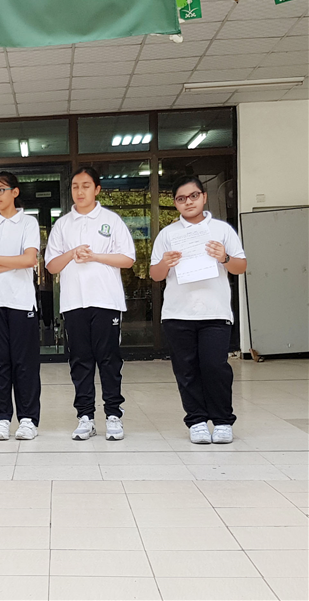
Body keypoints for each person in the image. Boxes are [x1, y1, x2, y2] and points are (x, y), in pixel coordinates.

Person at [150, 175, 247, 444]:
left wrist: (224, 257)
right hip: (178, 313)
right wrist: (166, 263)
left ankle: (223, 420)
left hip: (215, 312)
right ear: (175, 203)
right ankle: (196, 421)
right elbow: (155, 275)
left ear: (203, 197)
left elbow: (240, 267)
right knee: (186, 370)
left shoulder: (221, 230)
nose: (188, 202)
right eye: (181, 198)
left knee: (215, 367)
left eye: (193, 196)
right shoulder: (168, 234)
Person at [45, 167, 136, 442]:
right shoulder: (63, 224)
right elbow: (51, 265)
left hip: (106, 300)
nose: (80, 191)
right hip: (74, 302)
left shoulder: (111, 220)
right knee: (80, 360)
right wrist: (72, 253)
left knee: (109, 359)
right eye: (75, 186)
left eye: (85, 185)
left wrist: (95, 256)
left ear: (97, 189)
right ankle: (85, 417)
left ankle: (113, 415)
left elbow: (128, 259)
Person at [0, 172, 42, 442]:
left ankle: (28, 419)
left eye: (1, 190)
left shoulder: (28, 223)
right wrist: (11, 261)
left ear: (15, 191)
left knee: (25, 364)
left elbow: (29, 260)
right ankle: (1, 418)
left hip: (21, 301)